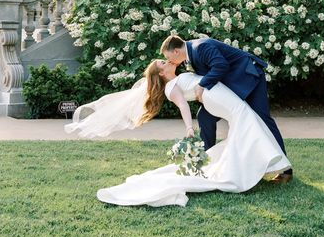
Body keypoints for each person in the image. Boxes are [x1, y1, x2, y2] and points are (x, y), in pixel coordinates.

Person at [66, 59, 291, 208]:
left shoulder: (177, 78)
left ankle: (263, 163)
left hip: (213, 97)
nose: (167, 61)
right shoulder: (170, 87)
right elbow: (184, 106)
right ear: (162, 73)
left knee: (245, 119)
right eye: (163, 62)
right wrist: (189, 128)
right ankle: (263, 165)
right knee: (245, 117)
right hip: (213, 99)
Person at [161, 34, 293, 183]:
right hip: (230, 89)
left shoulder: (201, 47)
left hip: (248, 77)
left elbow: (221, 65)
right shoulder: (190, 57)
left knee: (263, 118)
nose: (169, 61)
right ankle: (206, 163)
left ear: (176, 51)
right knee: (204, 116)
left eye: (168, 57)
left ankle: (285, 170)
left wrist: (202, 84)